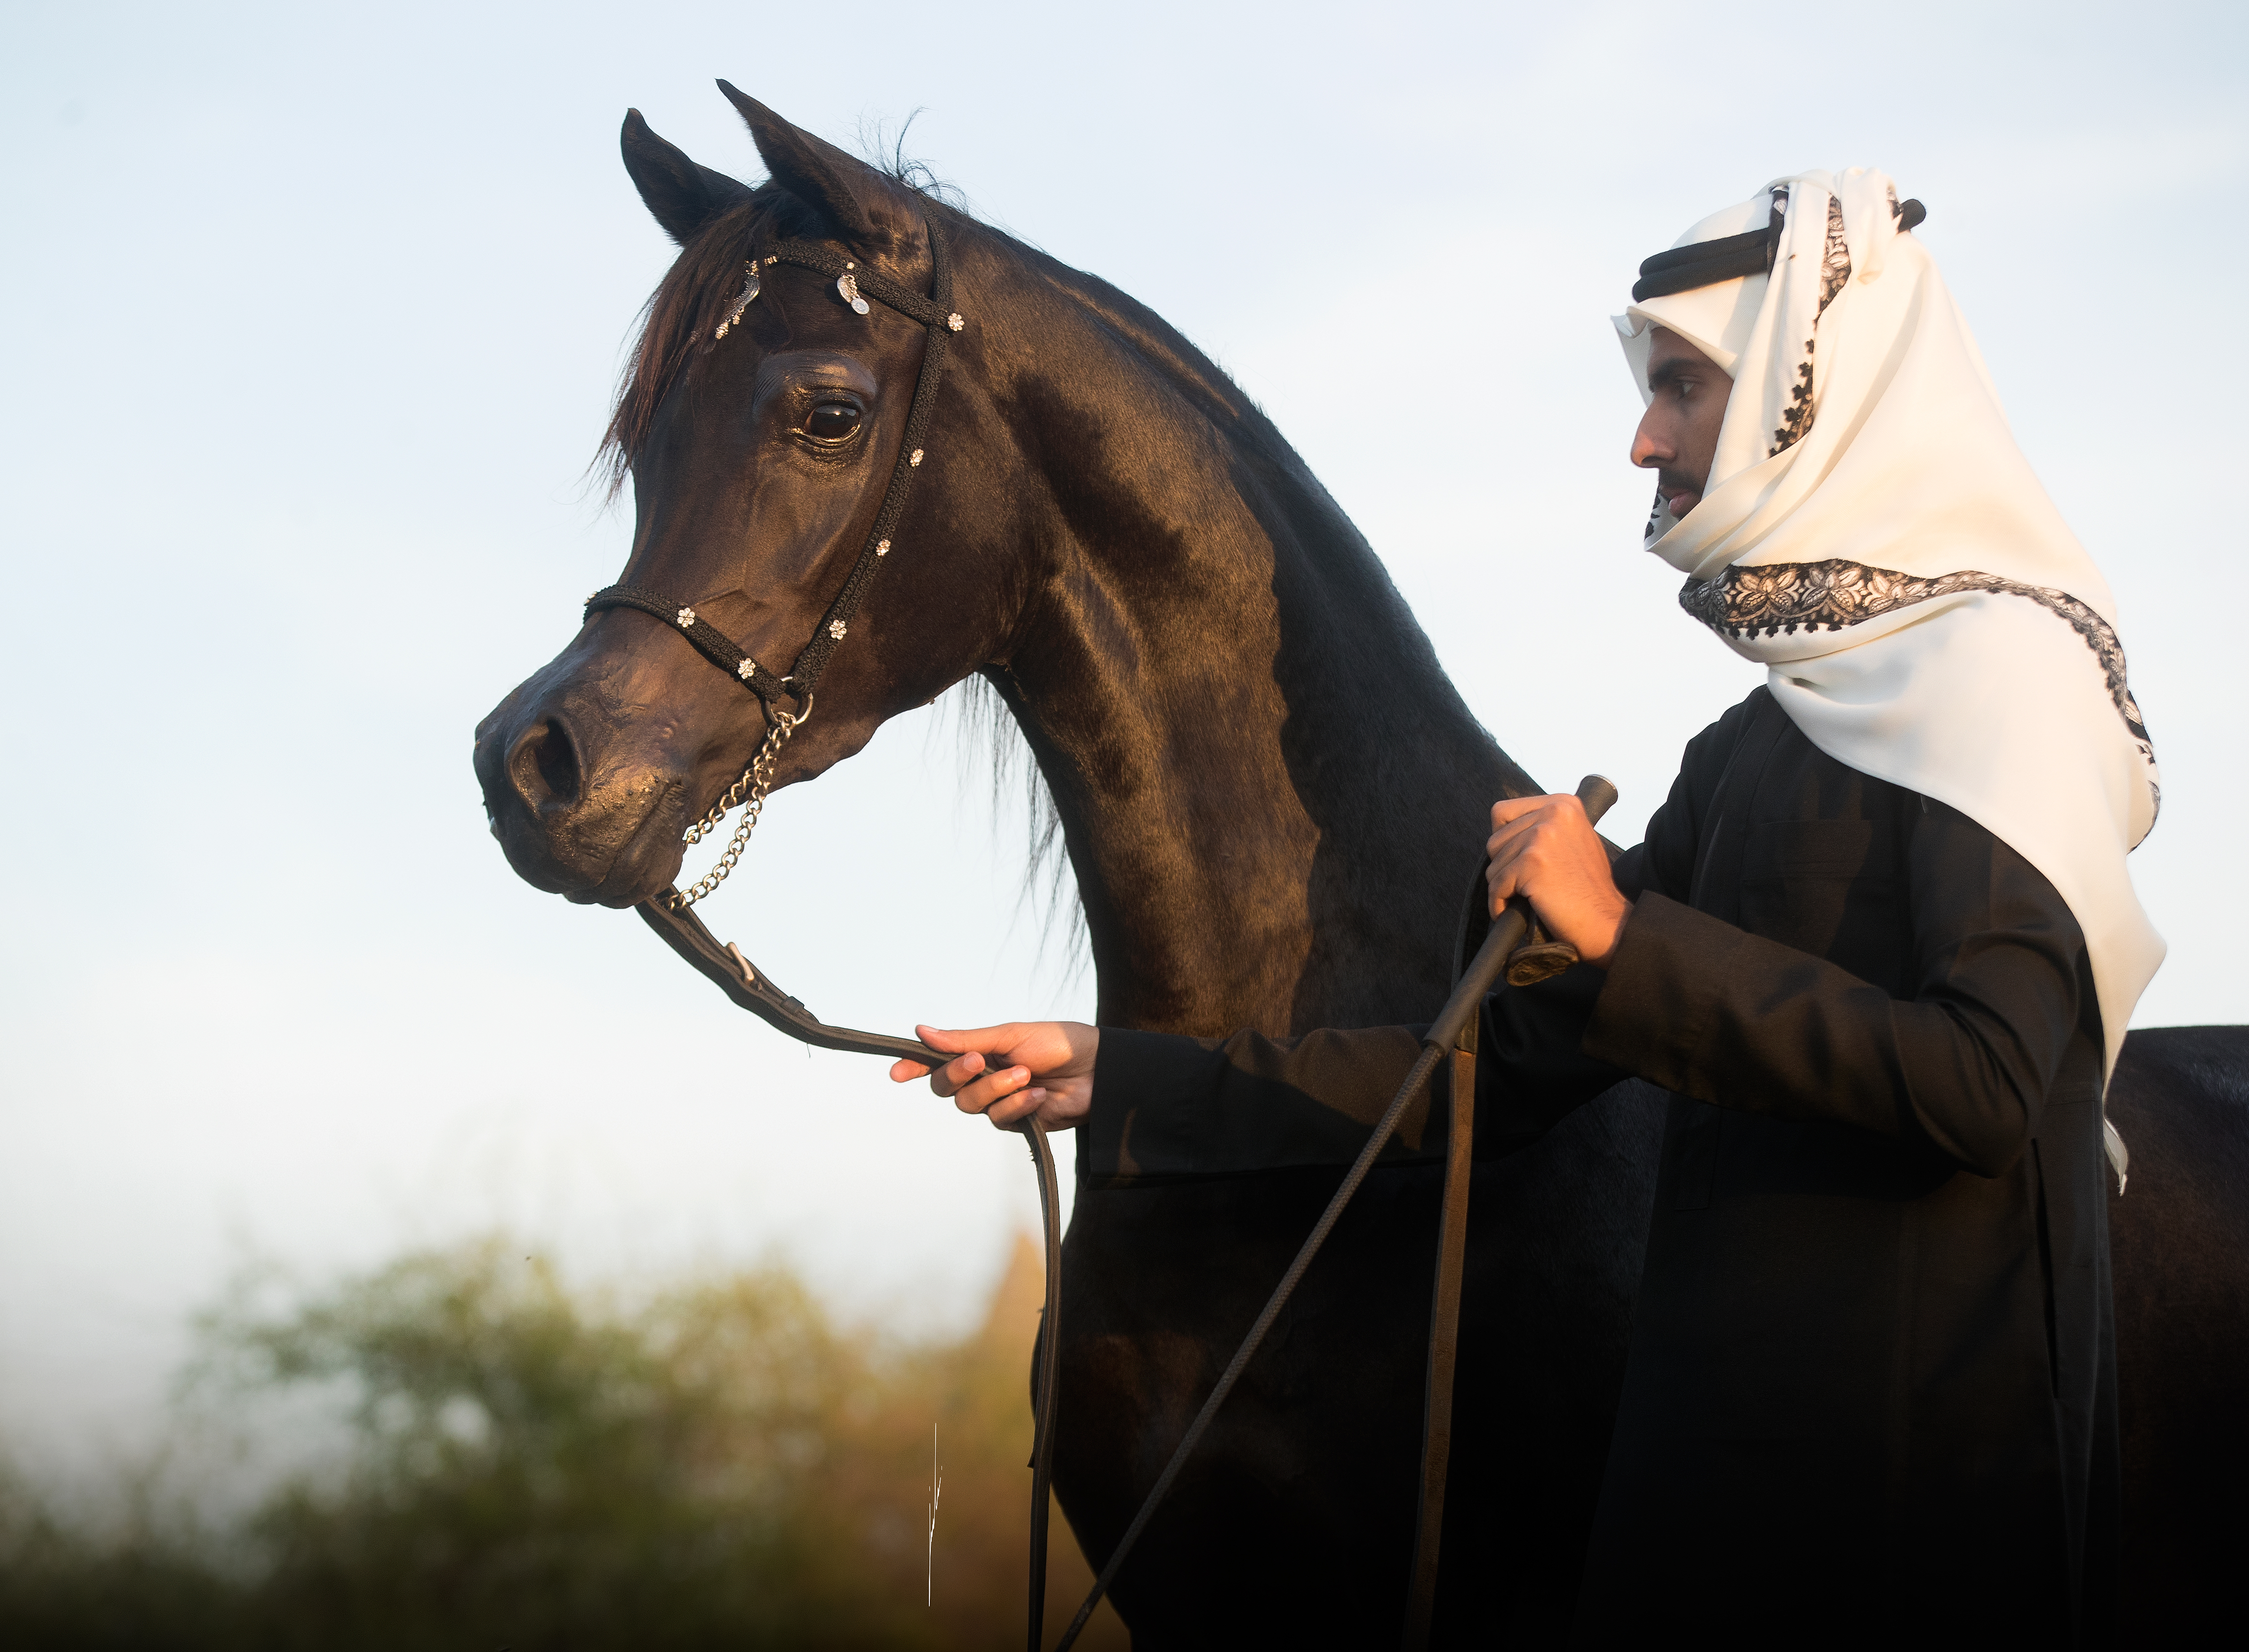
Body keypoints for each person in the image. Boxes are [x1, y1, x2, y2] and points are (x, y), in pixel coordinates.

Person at [892, 170, 2161, 1645]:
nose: (1645, 436)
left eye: (1684, 386)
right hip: (1688, 1527)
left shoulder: (2009, 683)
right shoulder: (1754, 749)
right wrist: (1125, 1080)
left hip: (1915, 1536)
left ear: (1818, 397)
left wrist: (1624, 935)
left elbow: (1990, 1083)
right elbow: (1474, 1077)